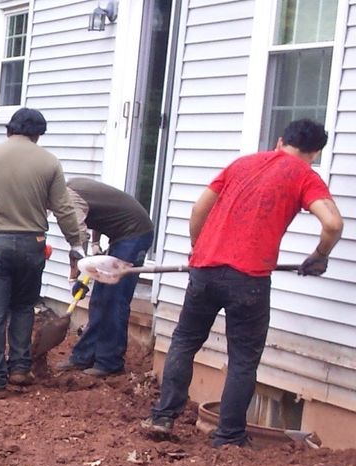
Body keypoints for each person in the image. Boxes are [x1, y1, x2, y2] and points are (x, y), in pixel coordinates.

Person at [145, 119, 342, 445]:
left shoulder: (242, 164)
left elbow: (198, 209)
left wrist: (197, 249)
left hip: (205, 270)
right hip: (248, 279)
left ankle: (162, 417)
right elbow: (333, 224)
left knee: (185, 341)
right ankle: (229, 436)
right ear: (316, 152)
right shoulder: (305, 175)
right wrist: (320, 255)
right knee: (242, 358)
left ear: (280, 141)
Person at [0, 108, 89, 397]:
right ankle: (20, 368)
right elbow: (64, 208)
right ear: (38, 135)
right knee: (24, 306)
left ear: (8, 130)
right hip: (32, 244)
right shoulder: (49, 162)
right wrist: (76, 244)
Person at [61, 178, 156, 376]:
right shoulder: (74, 189)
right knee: (100, 298)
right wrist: (96, 244)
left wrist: (74, 279)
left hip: (135, 234)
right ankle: (83, 356)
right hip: (121, 236)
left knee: (114, 298)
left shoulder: (70, 199)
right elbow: (102, 215)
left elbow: (77, 244)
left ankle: (110, 363)